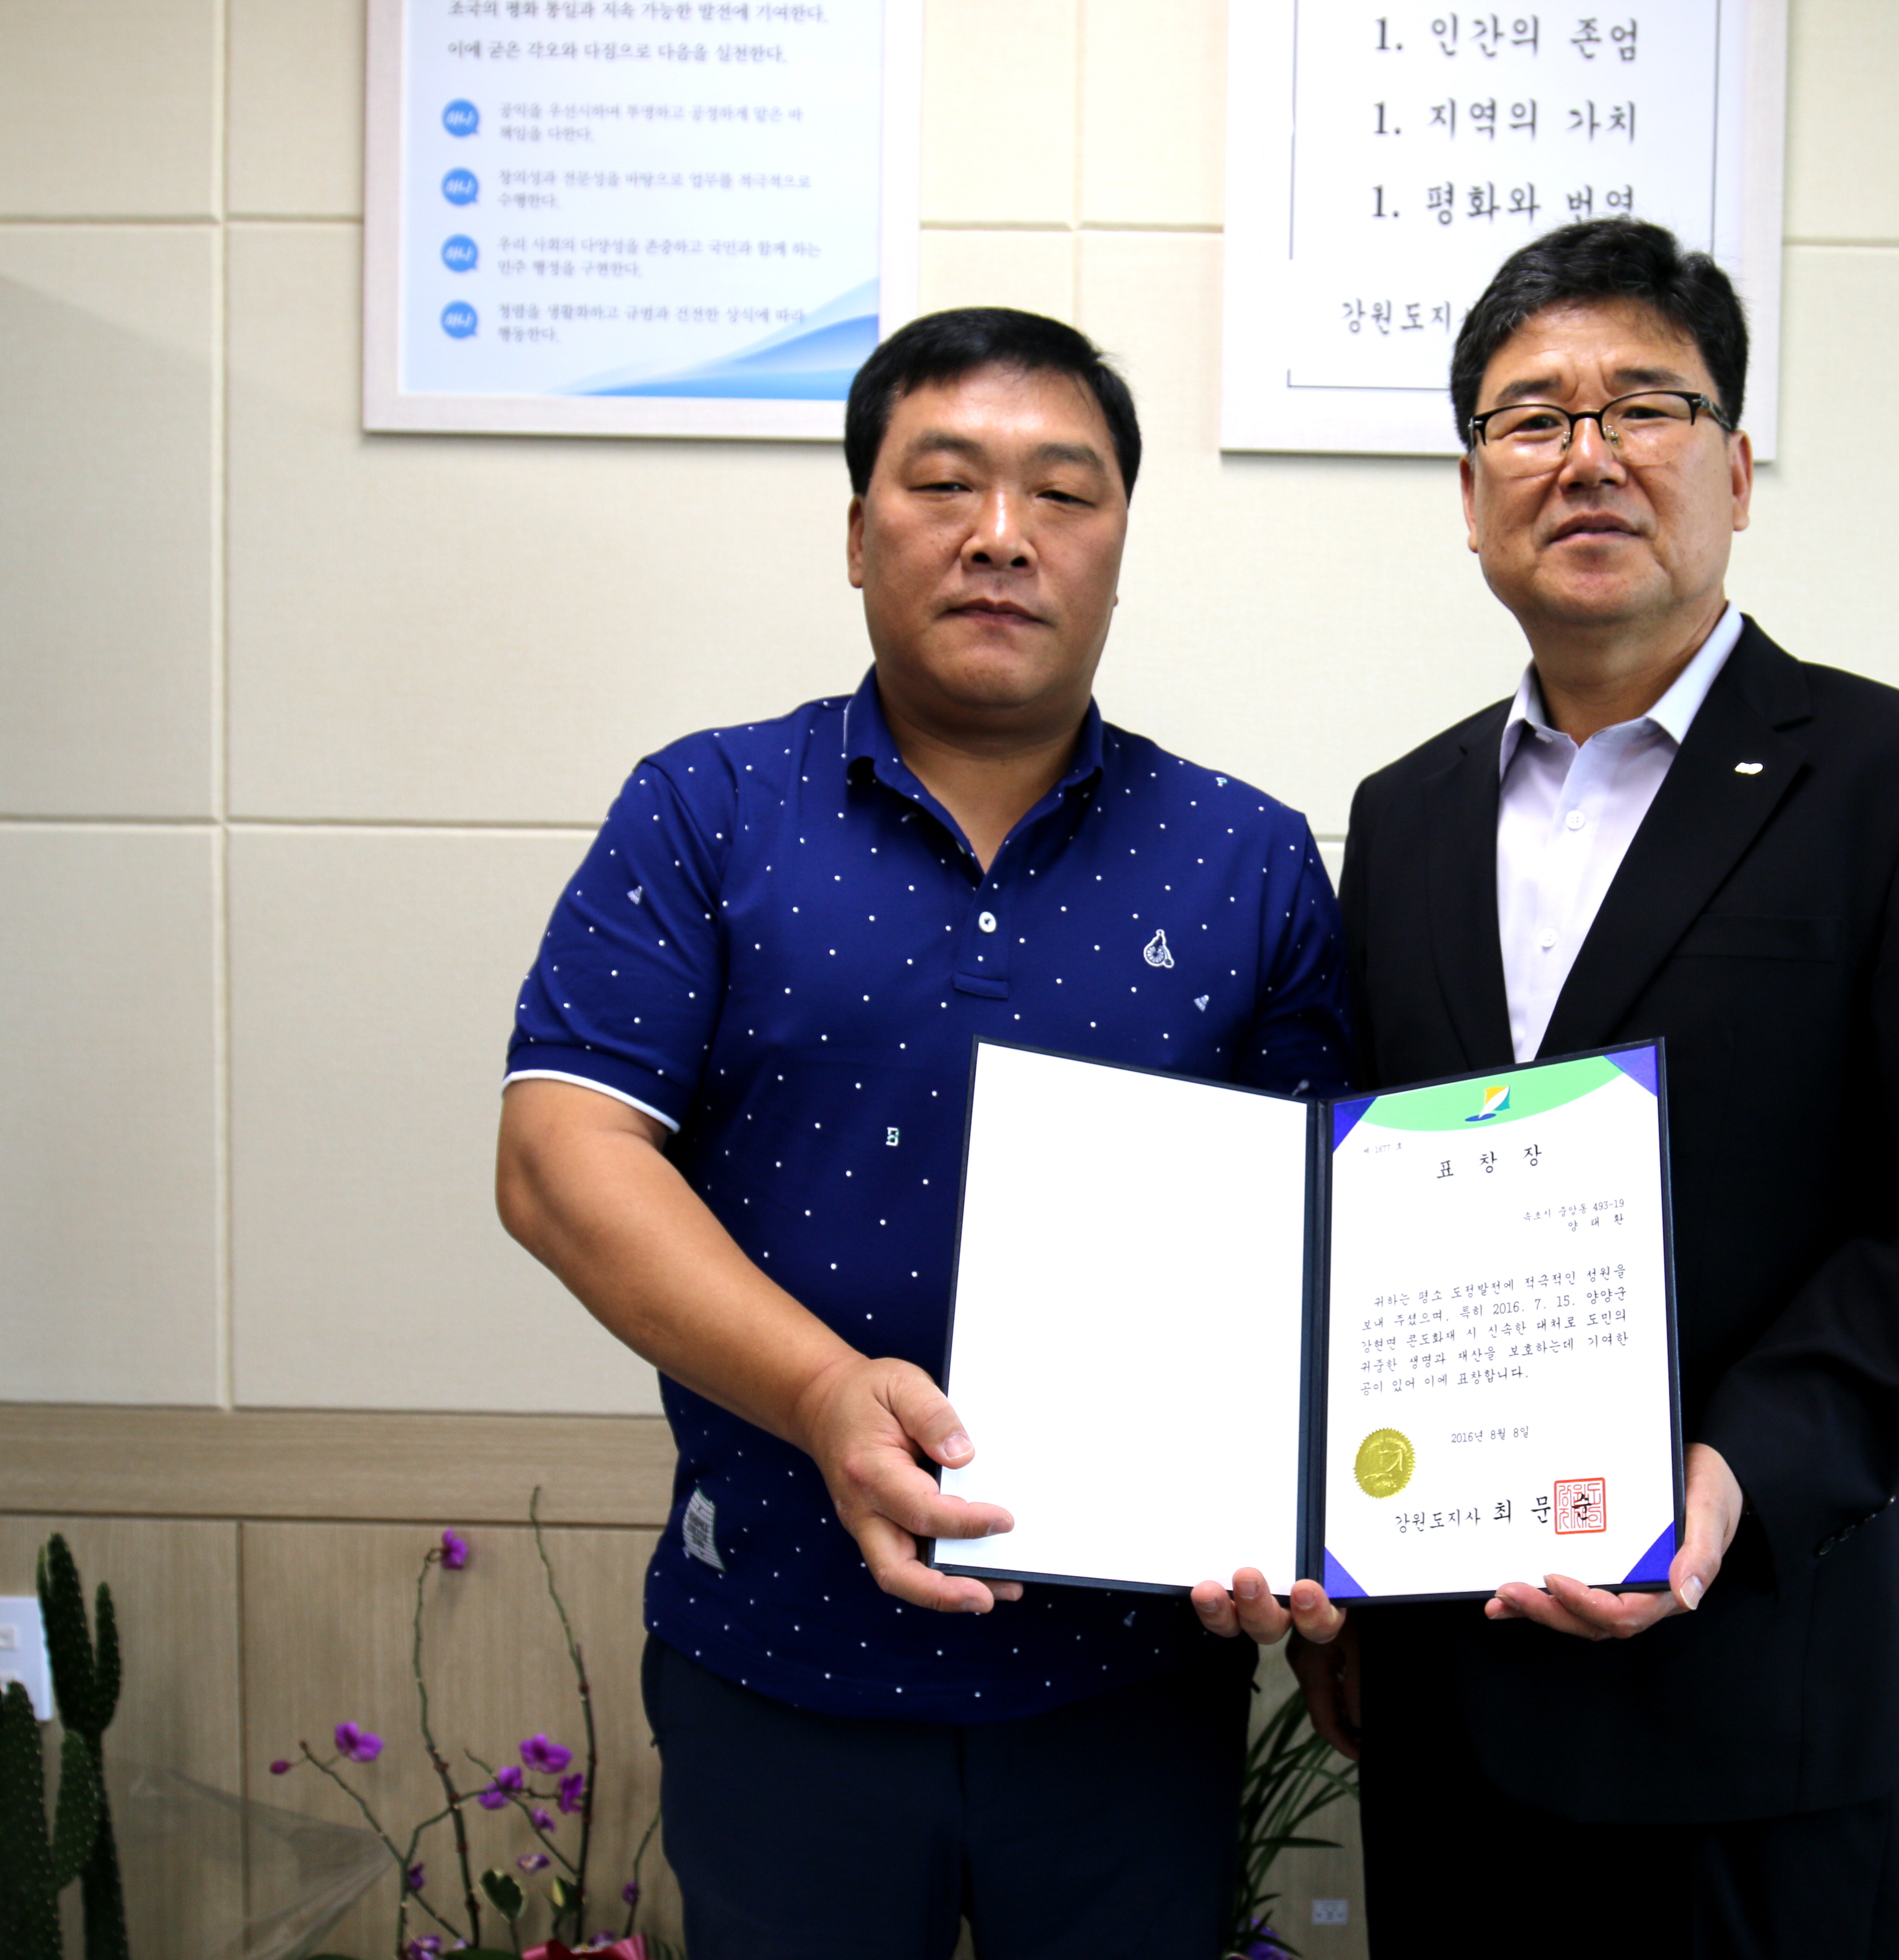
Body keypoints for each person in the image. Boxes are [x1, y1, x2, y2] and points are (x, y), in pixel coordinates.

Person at [493, 307, 1350, 1959]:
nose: (1002, 535)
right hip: (779, 1654)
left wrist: (1322, 1541)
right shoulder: (708, 810)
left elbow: (1323, 1241)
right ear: (855, 533)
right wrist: (826, 1393)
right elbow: (558, 1159)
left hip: (1134, 1684)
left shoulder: (1244, 855)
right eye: (945, 483)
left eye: (1063, 494)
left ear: (1120, 545)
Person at [1290, 218, 1899, 1956]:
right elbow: (1366, 1208)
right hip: (1444, 1702)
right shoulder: (1404, 815)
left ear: (1733, 466)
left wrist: (1728, 1477)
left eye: (1645, 406)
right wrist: (1337, 1553)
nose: (1588, 455)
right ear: (1472, 491)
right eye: (1532, 417)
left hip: (1743, 1708)